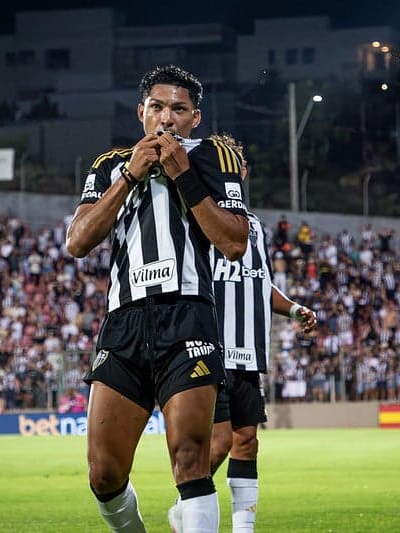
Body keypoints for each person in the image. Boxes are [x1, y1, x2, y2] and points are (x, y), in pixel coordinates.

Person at [65, 65, 249, 532]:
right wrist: (129, 176)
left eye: (179, 109)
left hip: (186, 317)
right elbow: (78, 241)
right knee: (103, 474)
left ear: (195, 118)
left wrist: (183, 176)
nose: (167, 118)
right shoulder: (109, 164)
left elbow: (234, 242)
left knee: (190, 459)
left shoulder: (214, 156)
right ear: (141, 111)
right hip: (124, 323)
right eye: (158, 107)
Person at [168, 134, 316, 532]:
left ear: (241, 172)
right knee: (215, 444)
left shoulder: (253, 227)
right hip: (210, 348)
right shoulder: (193, 217)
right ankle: (186, 505)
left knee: (246, 440)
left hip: (248, 350)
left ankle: (243, 528)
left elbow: (259, 281)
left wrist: (295, 308)